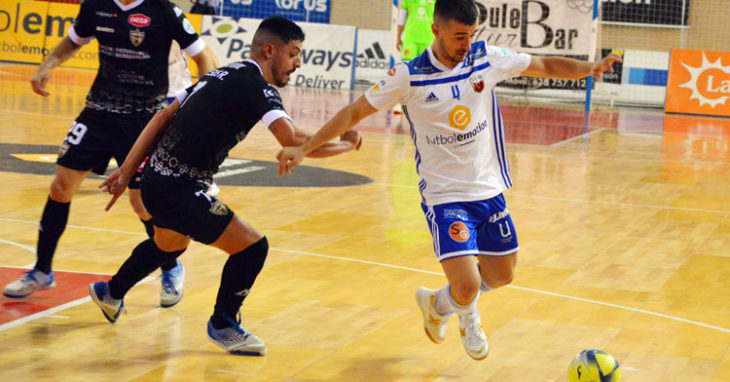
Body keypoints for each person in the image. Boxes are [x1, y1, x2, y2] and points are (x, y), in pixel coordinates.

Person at [276, 0, 621, 360]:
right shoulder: (408, 75)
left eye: (472, 35)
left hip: (488, 188)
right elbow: (354, 110)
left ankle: (438, 304)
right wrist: (305, 148)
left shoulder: (486, 58)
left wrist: (589, 67)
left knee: (502, 275)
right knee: (469, 283)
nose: (467, 44)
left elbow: (544, 64)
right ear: (436, 30)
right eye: (459, 37)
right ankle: (468, 318)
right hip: (444, 196)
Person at [89, 16, 362, 355]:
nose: (298, 63)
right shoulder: (257, 86)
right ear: (268, 50)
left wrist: (129, 171)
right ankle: (223, 323)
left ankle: (110, 292)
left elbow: (161, 117)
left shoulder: (222, 73)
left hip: (157, 180)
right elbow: (292, 139)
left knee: (168, 245)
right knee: (251, 247)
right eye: (293, 54)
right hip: (180, 187)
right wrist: (345, 144)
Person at [2, 0, 217, 309]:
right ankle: (42, 270)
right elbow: (73, 41)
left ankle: (169, 265)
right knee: (60, 187)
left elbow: (204, 57)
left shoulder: (165, 12)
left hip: (144, 119)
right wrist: (46, 66)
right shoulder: (95, 6)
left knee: (142, 204)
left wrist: (199, 102)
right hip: (97, 113)